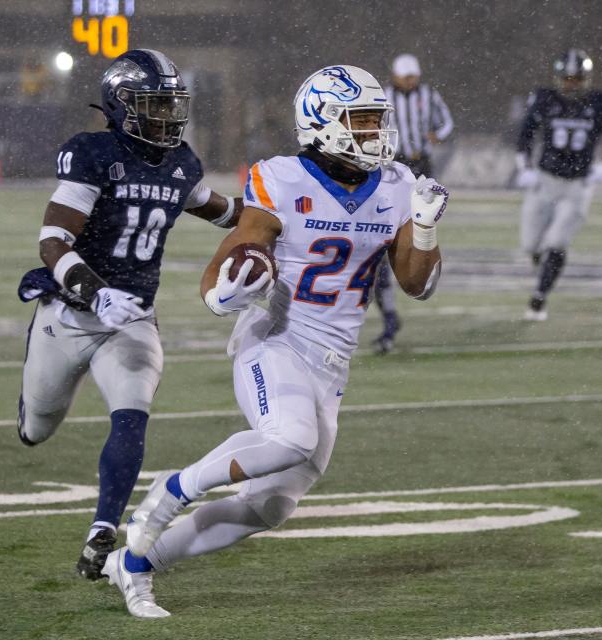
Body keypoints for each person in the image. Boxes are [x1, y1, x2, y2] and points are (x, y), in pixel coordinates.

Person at [100, 64, 448, 618]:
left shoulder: (400, 185)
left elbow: (417, 284)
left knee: (272, 504)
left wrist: (425, 229)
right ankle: (173, 490)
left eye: (377, 119)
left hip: (334, 361)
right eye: (361, 119)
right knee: (288, 437)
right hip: (276, 339)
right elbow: (231, 263)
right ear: (322, 122)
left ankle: (137, 564)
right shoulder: (283, 177)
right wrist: (229, 293)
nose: (375, 132)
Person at [15, 49, 243, 582]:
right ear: (121, 105)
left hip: (133, 317)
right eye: (154, 105)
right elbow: (53, 239)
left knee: (132, 410)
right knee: (36, 428)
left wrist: (282, 214)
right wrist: (94, 292)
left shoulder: (181, 163)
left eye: (172, 105)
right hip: (69, 312)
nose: (168, 117)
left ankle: (103, 529)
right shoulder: (95, 154)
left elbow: (222, 211)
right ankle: (31, 410)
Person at [515, 48, 602, 321]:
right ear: (558, 77)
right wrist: (523, 166)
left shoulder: (601, 103)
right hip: (546, 179)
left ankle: (539, 298)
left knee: (557, 241)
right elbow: (525, 135)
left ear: (586, 79)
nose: (571, 84)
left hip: (578, 184)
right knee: (530, 244)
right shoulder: (544, 99)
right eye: (567, 78)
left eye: (576, 79)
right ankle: (545, 271)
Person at [370, 53, 454, 354]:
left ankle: (396, 306)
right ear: (394, 75)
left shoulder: (428, 95)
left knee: (411, 238)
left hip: (419, 168)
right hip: (391, 169)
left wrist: (436, 136)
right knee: (380, 247)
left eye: (413, 76)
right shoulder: (383, 97)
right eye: (405, 76)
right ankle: (390, 316)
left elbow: (446, 123)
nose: (410, 81)